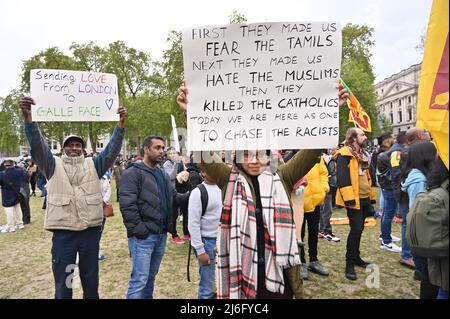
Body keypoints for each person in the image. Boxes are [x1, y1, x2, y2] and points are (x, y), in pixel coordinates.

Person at [177, 81, 349, 299]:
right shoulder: (227, 178)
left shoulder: (283, 175)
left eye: (261, 154)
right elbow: (202, 152)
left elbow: (312, 149)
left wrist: (330, 111)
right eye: (247, 154)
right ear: (237, 157)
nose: (255, 161)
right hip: (241, 270)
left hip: (279, 273)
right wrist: (191, 114)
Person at [19, 96, 127, 299]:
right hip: (64, 234)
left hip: (90, 233)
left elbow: (112, 150)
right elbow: (38, 146)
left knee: (90, 279)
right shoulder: (52, 164)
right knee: (65, 280)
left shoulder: (94, 164)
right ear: (62, 149)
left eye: (78, 145)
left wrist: (119, 127)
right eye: (70, 145)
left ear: (83, 149)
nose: (74, 148)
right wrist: (29, 121)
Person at [119, 135, 189, 299]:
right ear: (146, 149)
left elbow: (174, 198)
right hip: (143, 237)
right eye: (157, 148)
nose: (162, 151)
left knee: (150, 277)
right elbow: (127, 206)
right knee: (139, 280)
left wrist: (195, 194)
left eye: (163, 148)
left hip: (160, 235)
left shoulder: (162, 174)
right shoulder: (132, 173)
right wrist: (140, 231)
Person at [400, 141, 441, 299]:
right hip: (423, 237)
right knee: (429, 280)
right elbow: (418, 211)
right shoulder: (419, 179)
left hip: (423, 236)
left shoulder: (421, 175)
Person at [335, 127, 375, 281]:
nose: (365, 137)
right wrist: (349, 199)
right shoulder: (344, 154)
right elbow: (342, 178)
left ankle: (356, 258)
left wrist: (371, 198)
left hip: (364, 198)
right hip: (354, 200)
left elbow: (366, 176)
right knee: (356, 230)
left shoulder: (362, 154)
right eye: (362, 135)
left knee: (360, 229)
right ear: (353, 138)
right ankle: (349, 263)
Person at [187, 169, 222, 299]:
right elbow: (193, 224)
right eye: (208, 169)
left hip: (224, 242)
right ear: (202, 172)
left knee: (222, 286)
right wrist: (200, 251)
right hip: (208, 243)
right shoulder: (198, 192)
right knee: (207, 288)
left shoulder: (224, 188)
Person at [300, 156, 330, 279]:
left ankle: (313, 261)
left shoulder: (317, 157)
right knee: (299, 236)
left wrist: (324, 189)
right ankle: (300, 262)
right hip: (298, 203)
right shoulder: (290, 157)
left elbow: (324, 173)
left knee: (313, 233)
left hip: (315, 202)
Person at [376, 132, 406, 253]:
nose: (393, 140)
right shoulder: (391, 153)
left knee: (387, 213)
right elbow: (394, 172)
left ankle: (385, 235)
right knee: (388, 213)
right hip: (390, 187)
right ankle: (386, 241)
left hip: (387, 186)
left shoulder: (385, 153)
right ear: (387, 141)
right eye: (391, 138)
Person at [163, 147, 185, 244]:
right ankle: (174, 235)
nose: (172, 155)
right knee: (173, 214)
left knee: (181, 213)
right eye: (170, 153)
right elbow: (171, 176)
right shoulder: (166, 164)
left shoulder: (179, 163)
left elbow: (184, 173)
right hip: (171, 193)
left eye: (174, 153)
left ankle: (185, 232)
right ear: (167, 155)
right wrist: (176, 164)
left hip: (180, 191)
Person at [0, 160, 28, 233]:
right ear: (13, 164)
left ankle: (11, 226)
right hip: (17, 193)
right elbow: (26, 176)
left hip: (7, 194)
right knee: (18, 209)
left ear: (5, 165)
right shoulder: (19, 171)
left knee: (9, 211)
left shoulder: (2, 174)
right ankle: (20, 224)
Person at [320, 147, 340, 242]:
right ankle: (325, 231)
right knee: (326, 210)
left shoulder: (324, 159)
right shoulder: (327, 160)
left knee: (324, 210)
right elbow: (330, 173)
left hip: (326, 187)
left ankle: (323, 230)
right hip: (326, 187)